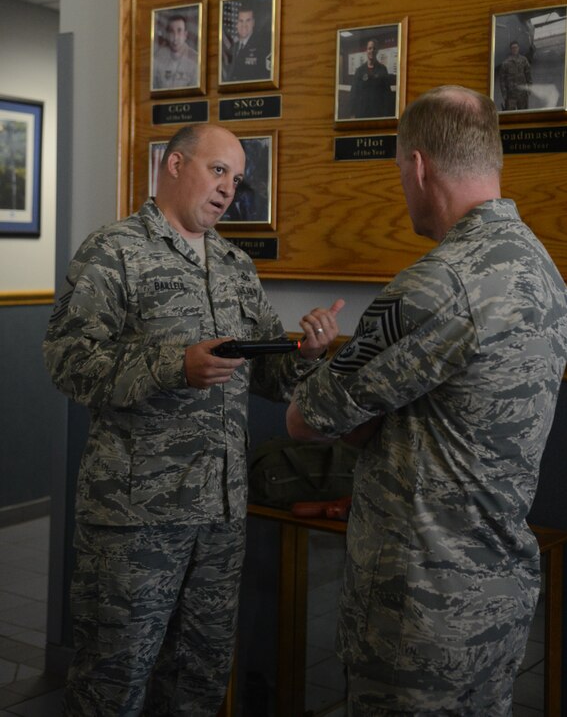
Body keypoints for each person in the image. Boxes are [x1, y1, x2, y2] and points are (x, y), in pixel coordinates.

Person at [43, 123, 344, 716]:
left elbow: (266, 375)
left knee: (198, 684)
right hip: (135, 519)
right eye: (218, 170)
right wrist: (172, 366)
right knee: (113, 682)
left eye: (238, 177)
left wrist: (305, 354)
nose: (230, 188)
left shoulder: (234, 263)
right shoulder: (115, 250)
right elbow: (67, 362)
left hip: (220, 517)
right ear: (174, 165)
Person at [287, 86, 567, 716]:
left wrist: (324, 379)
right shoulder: (541, 267)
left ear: (417, 165)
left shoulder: (434, 283)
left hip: (419, 608)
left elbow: (306, 420)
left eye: (398, 173)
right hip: (498, 590)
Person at [349, 38, 396, 119]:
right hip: (361, 112)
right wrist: (352, 113)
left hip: (378, 113)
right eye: (370, 48)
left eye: (374, 48)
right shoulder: (359, 71)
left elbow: (387, 94)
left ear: (377, 51)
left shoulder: (383, 69)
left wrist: (387, 114)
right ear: (366, 50)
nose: (372, 50)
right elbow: (354, 93)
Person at [225, 6, 270, 82]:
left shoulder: (262, 46)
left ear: (253, 23)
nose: (244, 25)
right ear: (237, 24)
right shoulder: (233, 47)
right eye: (241, 21)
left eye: (248, 21)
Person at [153, 14, 198, 90]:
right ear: (167, 35)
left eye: (179, 31)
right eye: (171, 31)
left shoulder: (196, 59)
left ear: (185, 35)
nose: (175, 37)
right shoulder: (157, 58)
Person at [499, 40, 532, 110]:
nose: (515, 49)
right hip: (510, 95)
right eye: (513, 48)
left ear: (518, 48)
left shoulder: (524, 60)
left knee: (524, 114)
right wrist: (504, 94)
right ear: (511, 49)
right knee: (510, 116)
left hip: (522, 94)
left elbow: (528, 74)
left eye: (516, 47)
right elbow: (502, 80)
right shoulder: (505, 63)